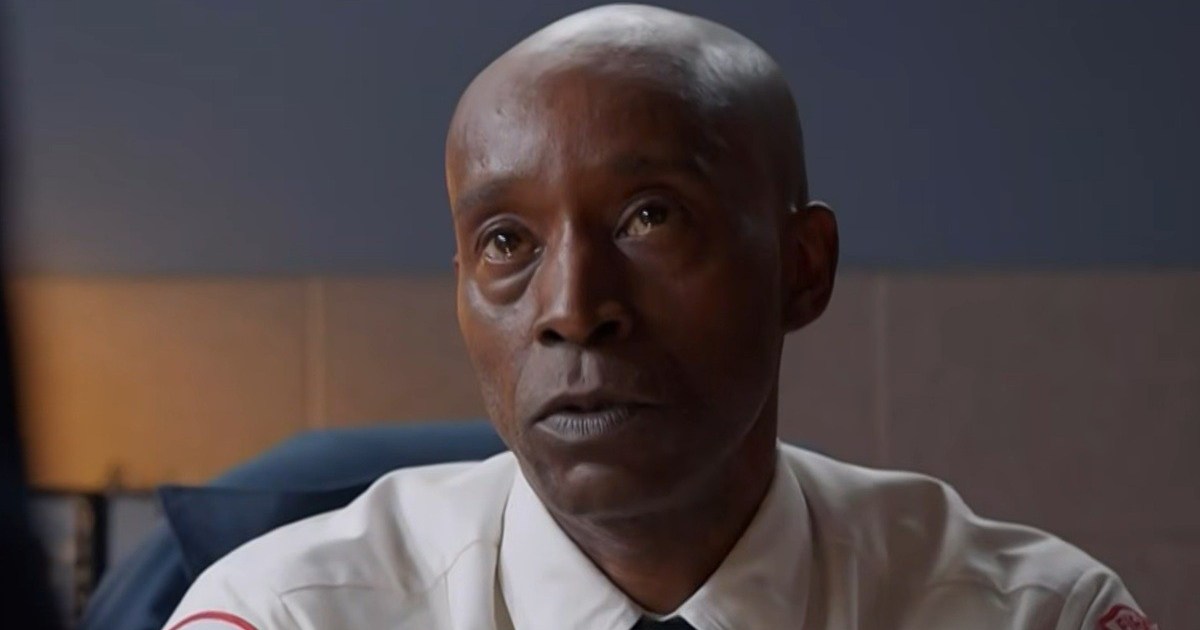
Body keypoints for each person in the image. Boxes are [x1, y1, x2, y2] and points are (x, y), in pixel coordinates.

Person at [164, 5, 1154, 629]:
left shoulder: (1036, 614)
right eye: (507, 242)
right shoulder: (284, 616)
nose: (572, 310)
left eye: (650, 218)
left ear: (802, 268)